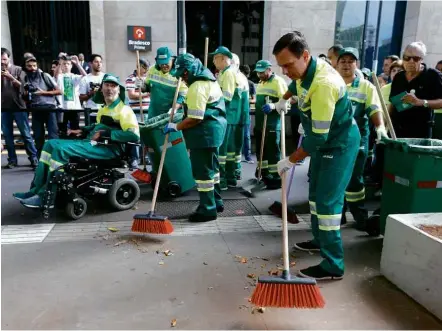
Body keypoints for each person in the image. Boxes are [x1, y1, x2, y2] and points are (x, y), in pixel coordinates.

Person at [274, 31, 360, 280]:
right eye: (282, 66)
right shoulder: (305, 71)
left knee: (328, 206)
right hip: (324, 142)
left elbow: (318, 138)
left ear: (305, 56)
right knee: (315, 196)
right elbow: (295, 84)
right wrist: (284, 99)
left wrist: (291, 160)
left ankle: (333, 264)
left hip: (339, 144)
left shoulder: (323, 84)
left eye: (288, 65)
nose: (285, 72)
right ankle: (319, 239)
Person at [13, 74, 140, 208]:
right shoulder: (104, 109)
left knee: (60, 151)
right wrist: (82, 130)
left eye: (113, 86)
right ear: (101, 88)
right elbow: (96, 127)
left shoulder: (124, 110)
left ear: (118, 90)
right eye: (107, 85)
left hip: (109, 149)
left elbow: (133, 135)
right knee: (49, 144)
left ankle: (47, 196)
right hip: (93, 144)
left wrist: (105, 133)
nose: (109, 89)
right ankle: (35, 190)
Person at [163, 53, 227, 222]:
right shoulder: (209, 80)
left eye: (183, 74)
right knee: (213, 171)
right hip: (213, 133)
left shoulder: (197, 86)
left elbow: (195, 118)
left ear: (189, 71)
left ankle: (207, 209)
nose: (182, 79)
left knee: (203, 174)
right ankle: (216, 202)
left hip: (203, 135)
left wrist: (175, 126)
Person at [336, 47, 387, 229]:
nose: (347, 65)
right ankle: (338, 215)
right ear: (337, 63)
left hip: (357, 140)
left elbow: (374, 108)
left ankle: (359, 215)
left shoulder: (366, 86)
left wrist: (380, 126)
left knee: (355, 178)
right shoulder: (331, 84)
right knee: (336, 177)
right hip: (335, 140)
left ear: (356, 64)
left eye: (351, 61)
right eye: (343, 61)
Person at [389, 41, 442, 139]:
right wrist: (384, 125)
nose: (411, 61)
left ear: (422, 59)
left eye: (415, 58)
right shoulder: (398, 77)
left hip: (420, 134)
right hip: (396, 132)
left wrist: (421, 102)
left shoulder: (433, 76)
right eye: (407, 58)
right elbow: (392, 104)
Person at [1, 47, 38, 169]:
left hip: (19, 107)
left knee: (26, 134)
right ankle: (12, 160)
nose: (2, 62)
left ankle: (33, 158)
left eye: (4, 59)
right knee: (7, 136)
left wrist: (10, 77)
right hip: (4, 108)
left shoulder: (18, 70)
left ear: (9, 58)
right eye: (0, 60)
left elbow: (23, 87)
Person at [254, 59, 288, 189]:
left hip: (272, 123)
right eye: (258, 73)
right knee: (260, 150)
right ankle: (263, 173)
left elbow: (286, 102)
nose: (260, 75)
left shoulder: (278, 82)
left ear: (269, 69)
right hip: (260, 122)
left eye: (262, 72)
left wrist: (273, 106)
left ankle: (275, 177)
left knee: (273, 150)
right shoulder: (261, 83)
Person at [210, 46, 240, 190]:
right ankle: (230, 178)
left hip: (227, 115)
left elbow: (227, 96)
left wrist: (212, 99)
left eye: (215, 58)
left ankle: (221, 180)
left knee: (223, 150)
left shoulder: (228, 74)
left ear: (223, 58)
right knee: (228, 149)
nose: (213, 61)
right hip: (228, 116)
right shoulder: (224, 73)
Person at [21, 55, 62, 158]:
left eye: (34, 66)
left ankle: (55, 159)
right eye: (29, 66)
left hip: (49, 109)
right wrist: (25, 95)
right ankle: (41, 160)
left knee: (53, 136)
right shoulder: (26, 78)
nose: (32, 68)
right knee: (38, 137)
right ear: (26, 67)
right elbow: (26, 98)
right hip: (35, 109)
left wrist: (43, 92)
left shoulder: (45, 75)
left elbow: (59, 91)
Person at [137, 47, 187, 119]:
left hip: (171, 115)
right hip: (153, 113)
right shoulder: (152, 69)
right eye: (161, 63)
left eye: (166, 62)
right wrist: (141, 85)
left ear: (172, 59)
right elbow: (147, 88)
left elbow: (183, 96)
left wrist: (175, 108)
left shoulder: (178, 73)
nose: (163, 65)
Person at [126, 58, 151, 168]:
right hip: (136, 111)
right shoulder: (131, 78)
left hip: (148, 111)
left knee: (148, 136)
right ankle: (134, 158)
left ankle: (146, 157)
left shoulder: (148, 78)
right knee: (136, 135)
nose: (146, 70)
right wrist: (146, 94)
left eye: (147, 68)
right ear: (138, 66)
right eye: (144, 67)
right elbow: (131, 95)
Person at [54, 55, 87, 134]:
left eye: (68, 64)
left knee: (75, 129)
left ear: (71, 66)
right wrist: (59, 63)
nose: (66, 65)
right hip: (62, 107)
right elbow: (56, 75)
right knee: (62, 130)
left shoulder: (74, 76)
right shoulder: (59, 76)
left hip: (74, 108)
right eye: (64, 64)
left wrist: (78, 64)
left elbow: (85, 76)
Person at [230, 53, 249, 181]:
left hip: (233, 119)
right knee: (234, 149)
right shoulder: (240, 77)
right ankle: (234, 172)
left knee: (232, 149)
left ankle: (232, 173)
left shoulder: (237, 78)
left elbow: (243, 102)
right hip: (236, 119)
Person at [79, 54, 105, 125]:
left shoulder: (106, 77)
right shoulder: (85, 79)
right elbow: (81, 97)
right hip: (91, 113)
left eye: (100, 62)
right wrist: (91, 93)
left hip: (105, 113)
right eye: (96, 62)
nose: (99, 64)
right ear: (90, 63)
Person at [239, 64, 255, 164]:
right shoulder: (235, 82)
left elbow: (254, 99)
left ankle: (247, 156)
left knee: (246, 135)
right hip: (237, 112)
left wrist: (245, 100)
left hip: (245, 111)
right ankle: (238, 155)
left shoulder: (250, 84)